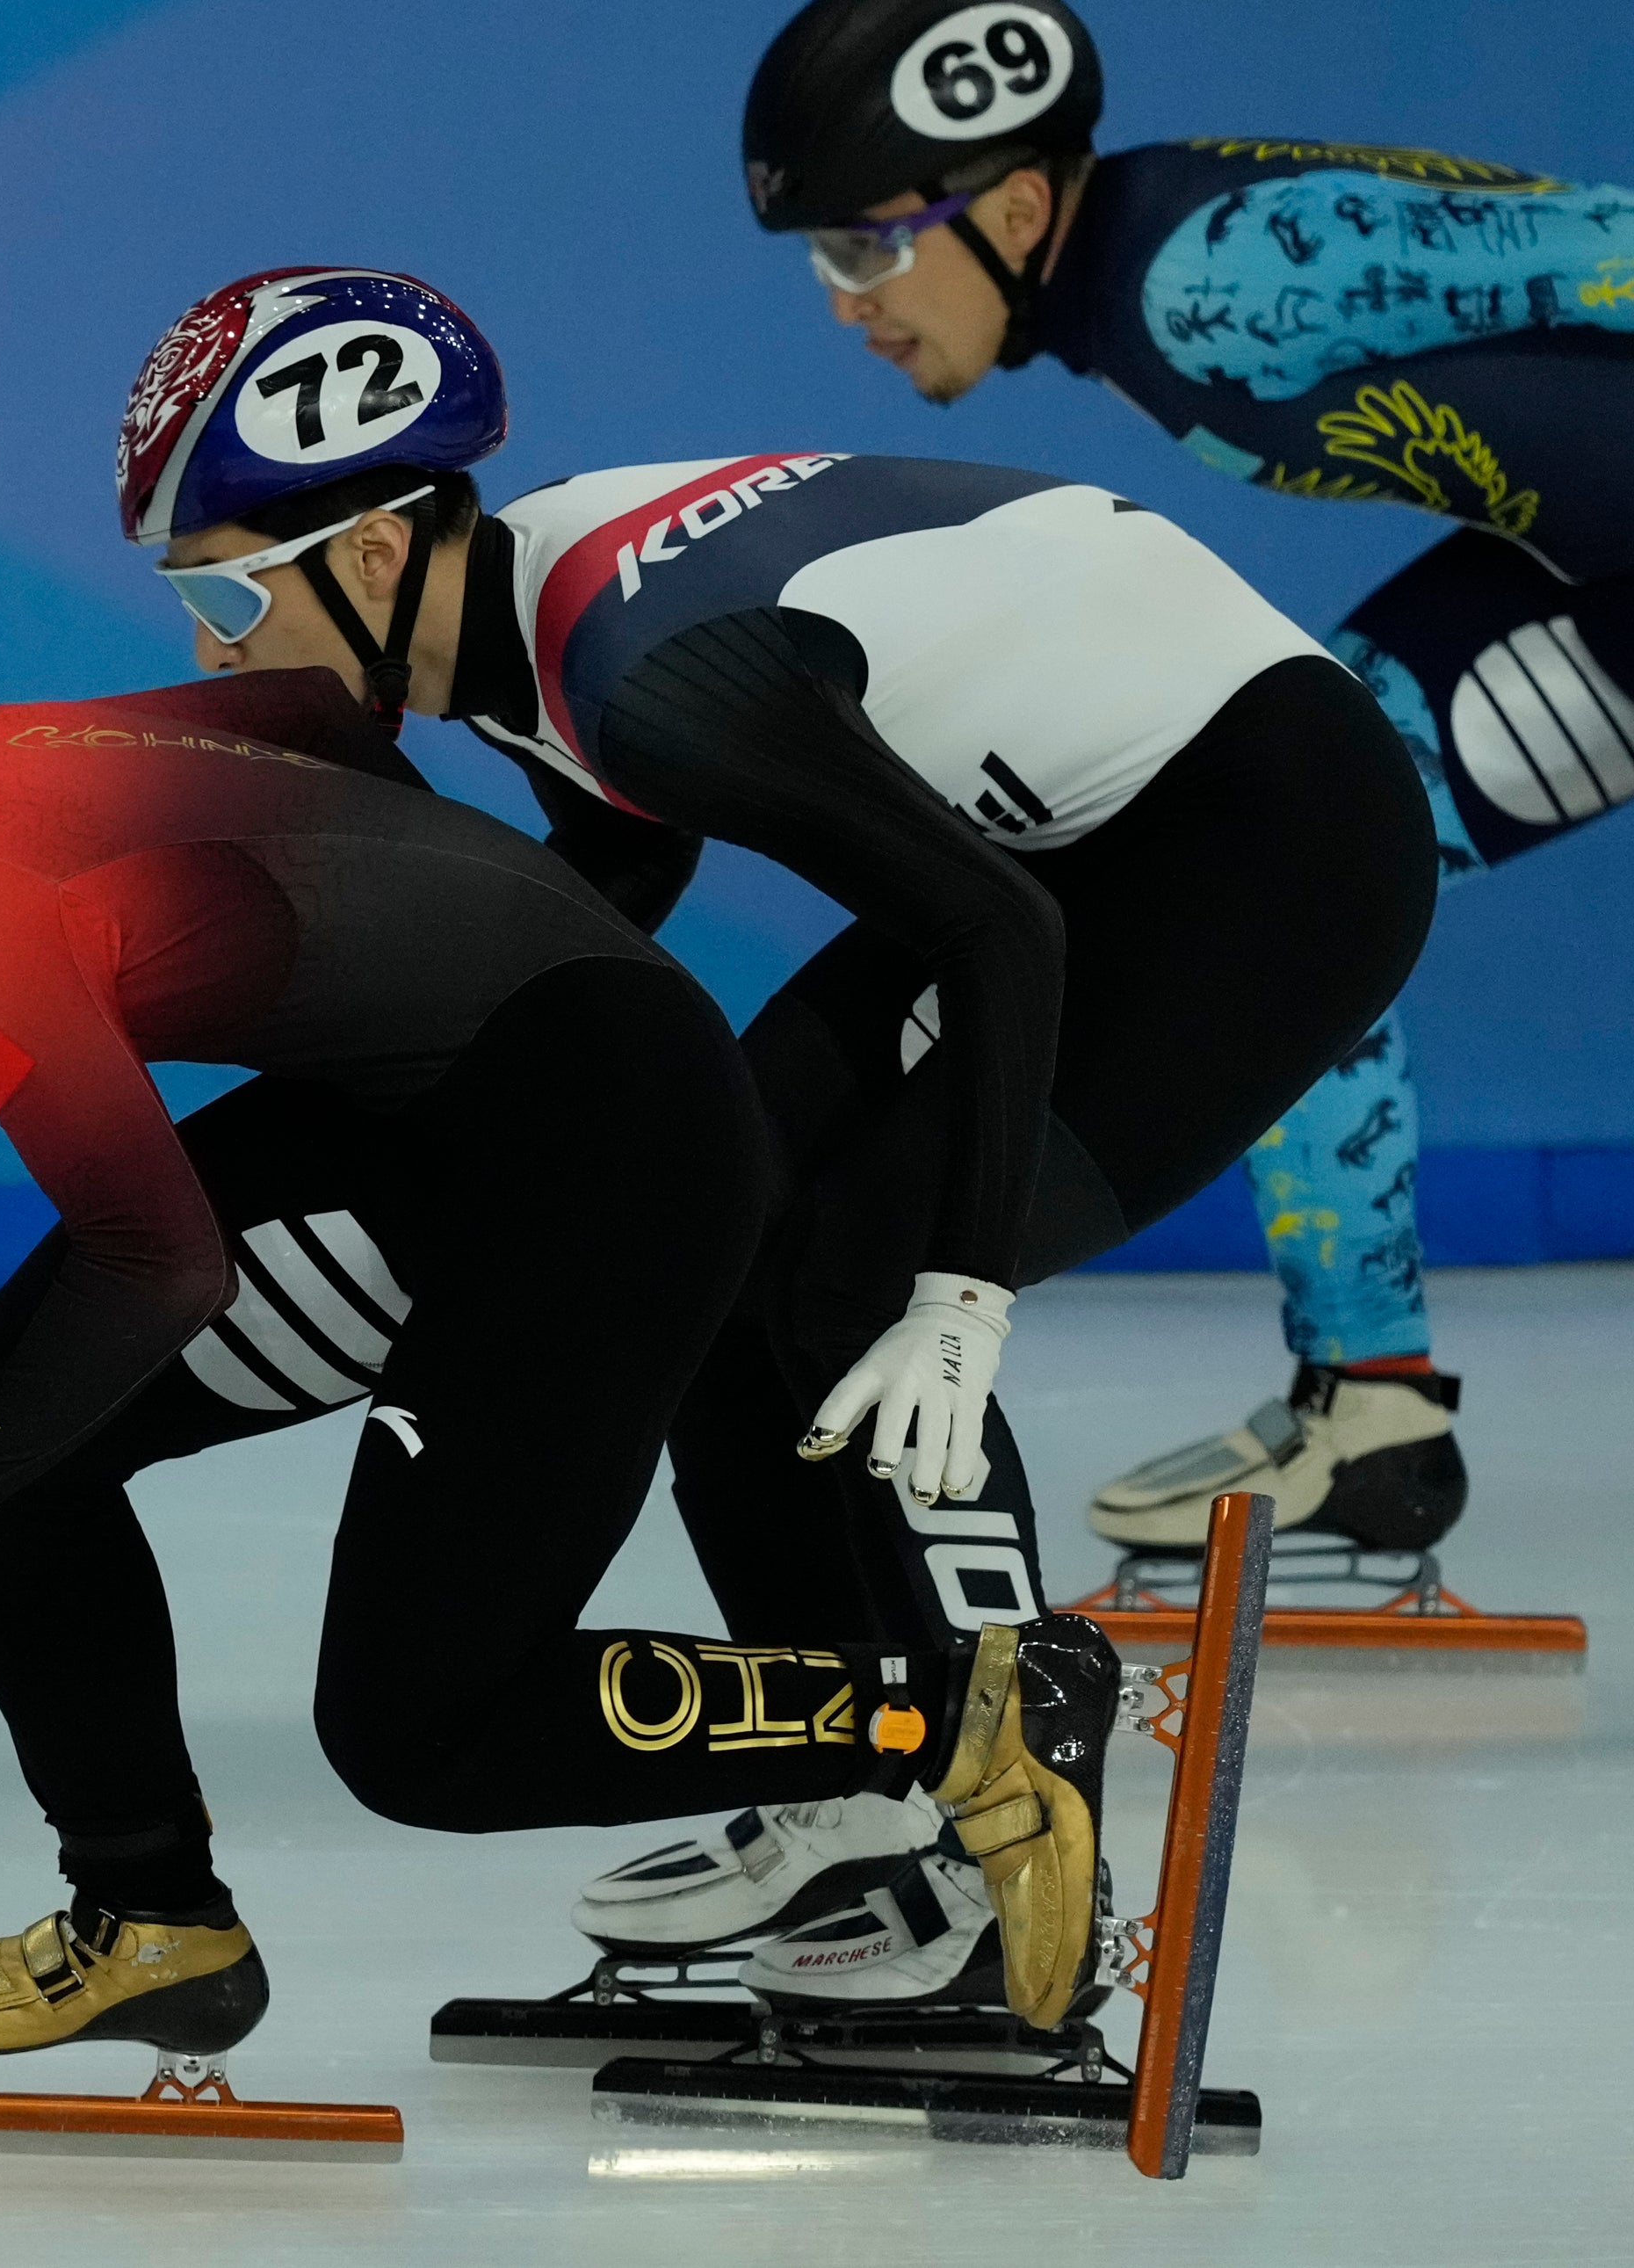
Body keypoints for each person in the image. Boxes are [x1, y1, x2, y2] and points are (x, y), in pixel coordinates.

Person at [0, 525, 1126, 2063]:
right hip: (457, 1101)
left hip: (600, 1139)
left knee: (419, 1726)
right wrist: (449, 923)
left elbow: (156, 1259)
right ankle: (150, 1916)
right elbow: (314, 720)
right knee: (15, 1428)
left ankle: (959, 1716)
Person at [116, 264, 1432, 2001]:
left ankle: (1016, 1857)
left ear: (371, 556)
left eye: (223, 599)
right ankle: (857, 1776)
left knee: (859, 1278)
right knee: (733, 1245)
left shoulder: (637, 666)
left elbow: (994, 935)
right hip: (1083, 831)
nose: (215, 652)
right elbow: (612, 888)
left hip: (1262, 848)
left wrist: (961, 1292)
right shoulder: (516, 623)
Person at [739, 0, 1634, 1556]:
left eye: (866, 250)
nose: (844, 303)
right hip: (1600, 576)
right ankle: (1375, 1410)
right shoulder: (1159, 278)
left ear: (1015, 208)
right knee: (1314, 851)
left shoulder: (1215, 281)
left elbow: (1605, 240)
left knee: (1300, 849)